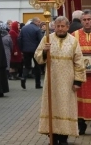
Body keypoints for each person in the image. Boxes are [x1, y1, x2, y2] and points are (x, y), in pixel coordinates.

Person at [34, 16, 86, 145]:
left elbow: (79, 62)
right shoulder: (47, 39)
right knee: (51, 107)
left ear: (68, 27)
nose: (60, 28)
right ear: (54, 27)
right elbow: (38, 57)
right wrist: (45, 52)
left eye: (63, 26)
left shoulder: (73, 41)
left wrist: (78, 81)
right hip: (51, 81)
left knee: (65, 108)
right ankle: (52, 137)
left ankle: (63, 139)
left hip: (68, 82)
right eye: (58, 26)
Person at [18, 17, 43, 89]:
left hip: (26, 50)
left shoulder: (24, 28)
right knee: (37, 67)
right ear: (36, 22)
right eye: (39, 22)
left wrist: (21, 49)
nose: (39, 24)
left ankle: (23, 77)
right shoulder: (37, 29)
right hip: (35, 50)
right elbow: (41, 40)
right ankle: (37, 84)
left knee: (27, 66)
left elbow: (19, 39)